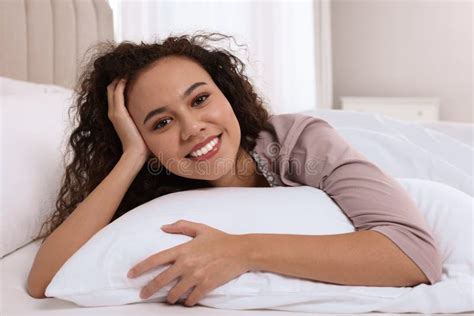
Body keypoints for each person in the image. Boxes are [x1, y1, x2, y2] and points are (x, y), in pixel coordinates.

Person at [27, 32, 442, 306]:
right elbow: (43, 282)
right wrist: (132, 156)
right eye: (161, 123)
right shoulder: (152, 191)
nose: (193, 129)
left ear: (227, 94)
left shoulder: (299, 144)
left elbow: (415, 255)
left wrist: (241, 250)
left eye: (200, 99)